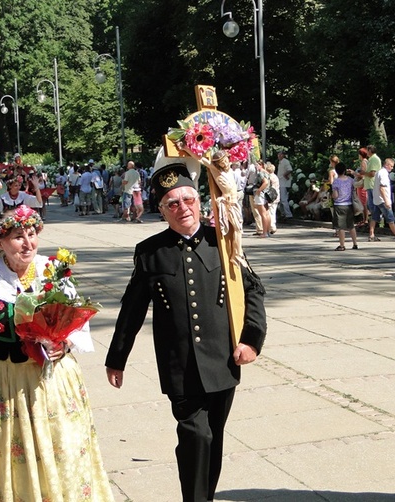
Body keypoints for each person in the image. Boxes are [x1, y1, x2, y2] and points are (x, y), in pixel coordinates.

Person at [105, 163, 267, 502]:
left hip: (223, 360)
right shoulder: (150, 252)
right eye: (172, 204)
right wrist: (117, 358)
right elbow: (132, 309)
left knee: (214, 437)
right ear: (163, 211)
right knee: (196, 436)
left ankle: (203, 496)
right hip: (179, 364)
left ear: (199, 202)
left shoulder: (222, 241)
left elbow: (252, 291)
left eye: (188, 200)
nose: (183, 208)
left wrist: (251, 341)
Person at [0, 206, 114, 501]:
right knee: (17, 454)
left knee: (62, 447)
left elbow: (78, 327)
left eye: (32, 235)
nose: (27, 243)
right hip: (6, 381)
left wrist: (62, 345)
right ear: (0, 242)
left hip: (53, 382)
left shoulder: (52, 270)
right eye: (18, 237)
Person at [369, 158, 395, 242]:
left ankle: (371, 234)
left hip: (376, 199)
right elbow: (382, 188)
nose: (392, 168)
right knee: (390, 218)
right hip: (383, 200)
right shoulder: (384, 174)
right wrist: (386, 201)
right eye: (391, 166)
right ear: (387, 165)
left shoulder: (379, 172)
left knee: (374, 217)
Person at [331, 163, 358, 250]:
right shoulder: (350, 180)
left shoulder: (336, 181)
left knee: (340, 226)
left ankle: (342, 245)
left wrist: (331, 195)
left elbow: (335, 195)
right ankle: (355, 243)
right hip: (349, 204)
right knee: (351, 225)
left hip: (339, 205)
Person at [253, 160, 271, 237]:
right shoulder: (267, 172)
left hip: (261, 194)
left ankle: (264, 233)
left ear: (261, 165)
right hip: (266, 194)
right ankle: (267, 231)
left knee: (263, 214)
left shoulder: (261, 173)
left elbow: (265, 182)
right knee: (267, 213)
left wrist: (259, 190)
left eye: (257, 165)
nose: (256, 166)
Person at [277, 151, 293, 219]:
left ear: (283, 155)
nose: (279, 156)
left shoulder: (285, 161)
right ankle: (283, 214)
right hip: (280, 182)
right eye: (278, 154)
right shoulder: (280, 162)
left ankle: (288, 214)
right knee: (280, 200)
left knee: (284, 199)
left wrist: (285, 175)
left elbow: (290, 169)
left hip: (284, 183)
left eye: (280, 154)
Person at [265, 162, 280, 234]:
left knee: (270, 211)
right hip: (276, 196)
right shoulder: (275, 176)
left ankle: (272, 226)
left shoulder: (269, 177)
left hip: (270, 196)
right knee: (273, 211)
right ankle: (272, 226)